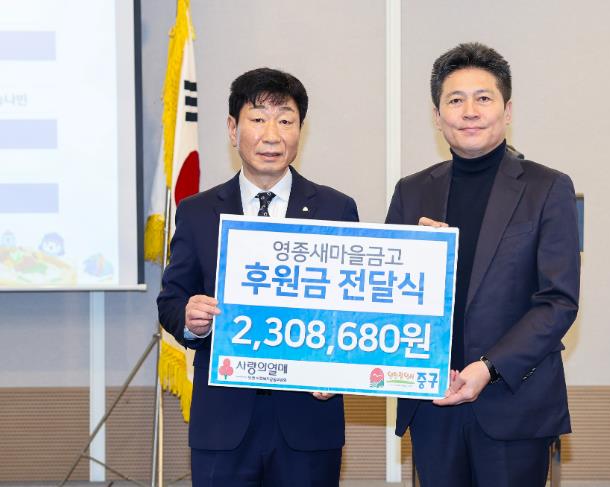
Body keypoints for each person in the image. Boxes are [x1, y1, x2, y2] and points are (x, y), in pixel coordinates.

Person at [386, 43, 580, 487]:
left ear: (507, 111)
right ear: (437, 116)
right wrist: (416, 255)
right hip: (433, 403)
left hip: (513, 401)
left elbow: (558, 302)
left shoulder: (547, 188)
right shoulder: (411, 192)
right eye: (455, 100)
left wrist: (487, 367)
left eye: (483, 98)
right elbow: (386, 296)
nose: (469, 111)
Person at [157, 67, 359, 486]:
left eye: (285, 121)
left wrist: (338, 369)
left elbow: (353, 310)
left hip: (308, 420)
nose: (272, 135)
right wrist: (190, 320)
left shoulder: (336, 209)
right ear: (233, 129)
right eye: (258, 119)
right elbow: (171, 300)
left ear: (300, 131)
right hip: (223, 422)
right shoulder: (197, 211)